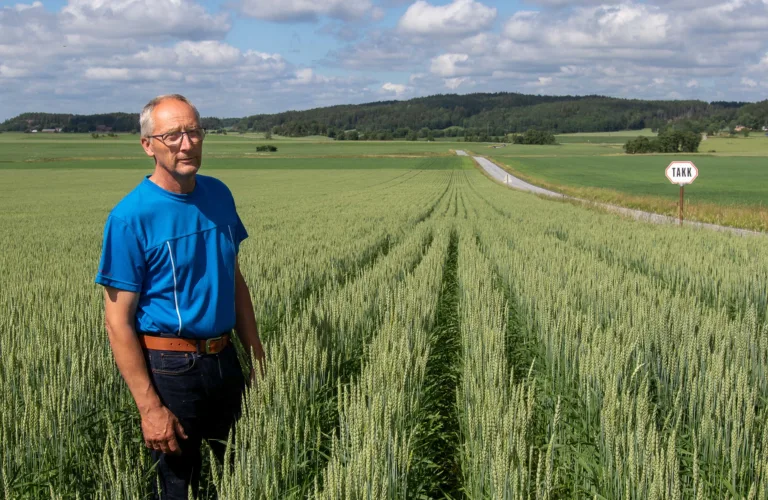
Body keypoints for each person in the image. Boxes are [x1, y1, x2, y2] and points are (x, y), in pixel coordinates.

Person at [95, 94, 265, 499]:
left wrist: (256, 354)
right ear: (148, 144)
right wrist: (150, 408)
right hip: (171, 368)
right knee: (175, 486)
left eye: (194, 132)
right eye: (172, 135)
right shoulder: (130, 217)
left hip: (224, 359)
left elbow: (234, 280)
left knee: (242, 473)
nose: (186, 144)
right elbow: (117, 321)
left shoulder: (219, 195)